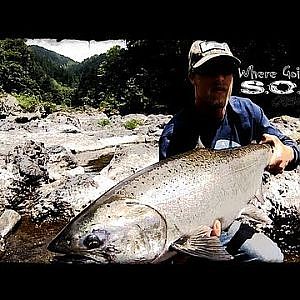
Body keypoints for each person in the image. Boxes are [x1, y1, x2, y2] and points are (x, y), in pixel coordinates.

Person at [159, 40, 300, 262]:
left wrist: (285, 153)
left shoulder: (247, 111)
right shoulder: (175, 135)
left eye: (226, 70)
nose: (220, 79)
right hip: (192, 228)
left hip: (231, 217)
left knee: (271, 257)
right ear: (192, 77)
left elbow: (291, 147)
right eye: (209, 71)